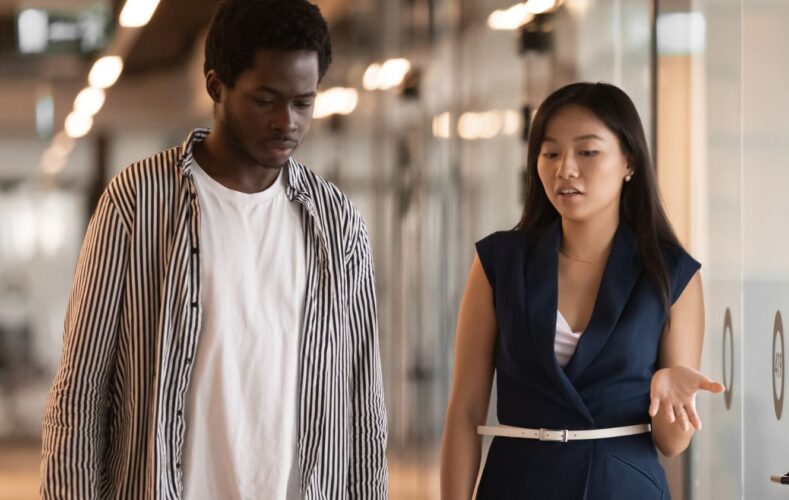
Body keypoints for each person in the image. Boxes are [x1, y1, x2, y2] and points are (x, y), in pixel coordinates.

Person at [40, 1, 388, 498]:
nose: (287, 122)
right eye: (265, 100)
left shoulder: (337, 225)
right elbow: (81, 390)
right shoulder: (139, 202)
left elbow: (363, 402)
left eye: (303, 103)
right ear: (216, 86)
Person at [440, 82, 724, 499]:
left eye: (587, 152)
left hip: (622, 488)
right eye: (550, 153)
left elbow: (672, 444)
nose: (565, 169)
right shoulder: (499, 262)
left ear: (629, 161)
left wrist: (669, 392)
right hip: (517, 485)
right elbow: (465, 410)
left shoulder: (670, 273)